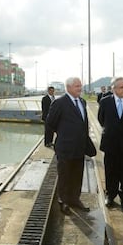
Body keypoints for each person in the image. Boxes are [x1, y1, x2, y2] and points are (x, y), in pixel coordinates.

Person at [45, 77, 90, 215]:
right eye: (77, 86)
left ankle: (75, 199)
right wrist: (61, 135)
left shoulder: (82, 101)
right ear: (69, 87)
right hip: (65, 147)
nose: (80, 88)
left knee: (77, 174)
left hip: (80, 146)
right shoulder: (60, 103)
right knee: (65, 175)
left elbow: (84, 123)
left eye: (80, 85)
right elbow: (50, 123)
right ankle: (63, 201)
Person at [98, 77, 123, 209]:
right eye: (121, 87)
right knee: (111, 170)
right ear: (113, 89)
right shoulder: (105, 102)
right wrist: (112, 129)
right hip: (110, 143)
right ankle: (111, 195)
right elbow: (101, 119)